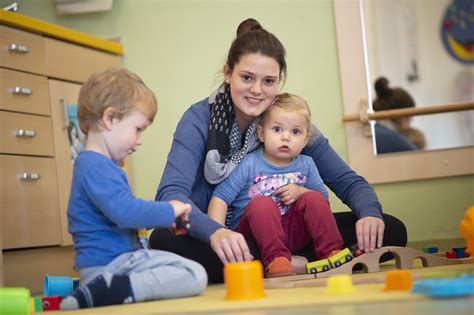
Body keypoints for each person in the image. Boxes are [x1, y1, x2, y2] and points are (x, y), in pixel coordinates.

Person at [150, 18, 407, 283]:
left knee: (390, 229)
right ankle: (299, 263)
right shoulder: (198, 119)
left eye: (268, 81)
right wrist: (215, 232)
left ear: (279, 81)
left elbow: (349, 183)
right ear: (228, 73)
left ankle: (283, 262)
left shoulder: (289, 124)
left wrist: (369, 214)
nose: (257, 90)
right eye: (247, 77)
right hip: (225, 237)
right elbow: (171, 194)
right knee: (164, 240)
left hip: (290, 230)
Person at [60, 68, 207, 310]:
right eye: (137, 129)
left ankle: (108, 290)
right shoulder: (95, 166)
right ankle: (116, 289)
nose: (139, 140)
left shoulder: (98, 165)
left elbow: (123, 214)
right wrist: (169, 210)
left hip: (116, 263)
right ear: (110, 119)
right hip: (111, 264)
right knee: (194, 274)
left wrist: (160, 218)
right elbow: (125, 212)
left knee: (186, 269)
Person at [208, 93, 344, 277]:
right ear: (262, 134)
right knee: (261, 203)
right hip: (255, 234)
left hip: (293, 232)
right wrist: (218, 232)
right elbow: (220, 197)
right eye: (277, 129)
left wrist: (301, 192)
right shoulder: (249, 164)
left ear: (305, 139)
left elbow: (323, 203)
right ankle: (276, 261)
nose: (286, 137)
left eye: (295, 132)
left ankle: (331, 253)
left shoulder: (306, 164)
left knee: (313, 197)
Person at [373, 77, 426, 153]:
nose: (411, 121)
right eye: (409, 117)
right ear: (401, 116)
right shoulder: (397, 142)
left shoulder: (372, 131)